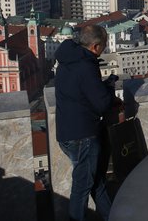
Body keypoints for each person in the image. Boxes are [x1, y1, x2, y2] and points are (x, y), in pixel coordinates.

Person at [55, 25, 117, 221]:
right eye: (103, 47)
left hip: (66, 132)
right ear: (95, 46)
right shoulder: (86, 65)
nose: (103, 51)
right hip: (83, 135)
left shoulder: (67, 58)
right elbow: (102, 104)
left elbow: (80, 91)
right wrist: (109, 89)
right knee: (82, 188)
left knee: (96, 182)